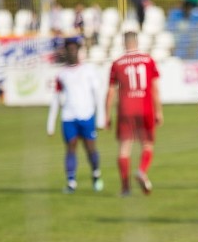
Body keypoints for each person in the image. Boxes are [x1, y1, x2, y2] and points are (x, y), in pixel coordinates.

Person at [105, 31, 162, 196]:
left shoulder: (117, 63)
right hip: (144, 106)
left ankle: (125, 188)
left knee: (125, 147)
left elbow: (110, 92)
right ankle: (141, 170)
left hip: (125, 108)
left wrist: (107, 115)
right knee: (147, 144)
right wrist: (159, 111)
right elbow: (155, 88)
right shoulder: (148, 60)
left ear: (124, 43)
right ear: (136, 42)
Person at [46, 39, 104, 194]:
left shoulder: (88, 70)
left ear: (78, 51)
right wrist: (50, 124)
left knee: (90, 148)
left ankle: (96, 173)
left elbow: (97, 94)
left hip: (86, 115)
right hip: (69, 117)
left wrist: (101, 117)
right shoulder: (61, 74)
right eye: (68, 49)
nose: (71, 52)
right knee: (70, 148)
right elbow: (56, 99)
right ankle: (71, 182)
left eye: (74, 49)